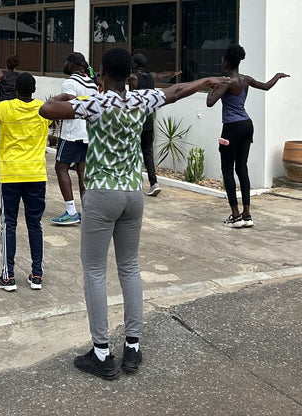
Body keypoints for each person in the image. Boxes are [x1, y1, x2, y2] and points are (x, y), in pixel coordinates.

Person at [40, 47, 225, 379]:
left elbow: (47, 109)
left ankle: (101, 353)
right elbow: (178, 90)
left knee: (95, 271)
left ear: (102, 72)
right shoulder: (143, 100)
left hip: (101, 195)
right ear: (129, 75)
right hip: (132, 195)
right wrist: (208, 79)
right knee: (129, 267)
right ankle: (133, 348)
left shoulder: (96, 103)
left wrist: (81, 95)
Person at [0, 73, 50, 291]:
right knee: (35, 224)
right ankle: (37, 275)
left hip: (11, 175)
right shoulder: (43, 109)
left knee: (9, 224)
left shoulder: (5, 107)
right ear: (33, 90)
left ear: (15, 89)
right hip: (36, 174)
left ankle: (8, 277)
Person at [205, 45, 289, 229]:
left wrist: (212, 87)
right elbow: (266, 86)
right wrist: (278, 75)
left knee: (227, 168)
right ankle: (247, 214)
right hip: (247, 125)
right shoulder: (246, 80)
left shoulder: (227, 82)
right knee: (241, 167)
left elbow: (210, 102)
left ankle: (235, 216)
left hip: (231, 127)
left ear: (226, 62)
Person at [50, 52, 98, 226]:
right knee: (82, 172)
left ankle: (71, 211)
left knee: (61, 168)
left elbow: (69, 102)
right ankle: (87, 212)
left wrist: (53, 108)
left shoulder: (69, 82)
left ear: (70, 64)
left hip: (72, 133)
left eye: (65, 62)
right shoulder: (92, 84)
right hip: (88, 133)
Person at [130, 54, 162, 197]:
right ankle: (154, 183)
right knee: (147, 152)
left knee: (133, 151)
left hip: (137, 120)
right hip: (148, 119)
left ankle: (134, 182)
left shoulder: (133, 78)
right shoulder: (151, 77)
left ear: (135, 64)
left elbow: (131, 99)